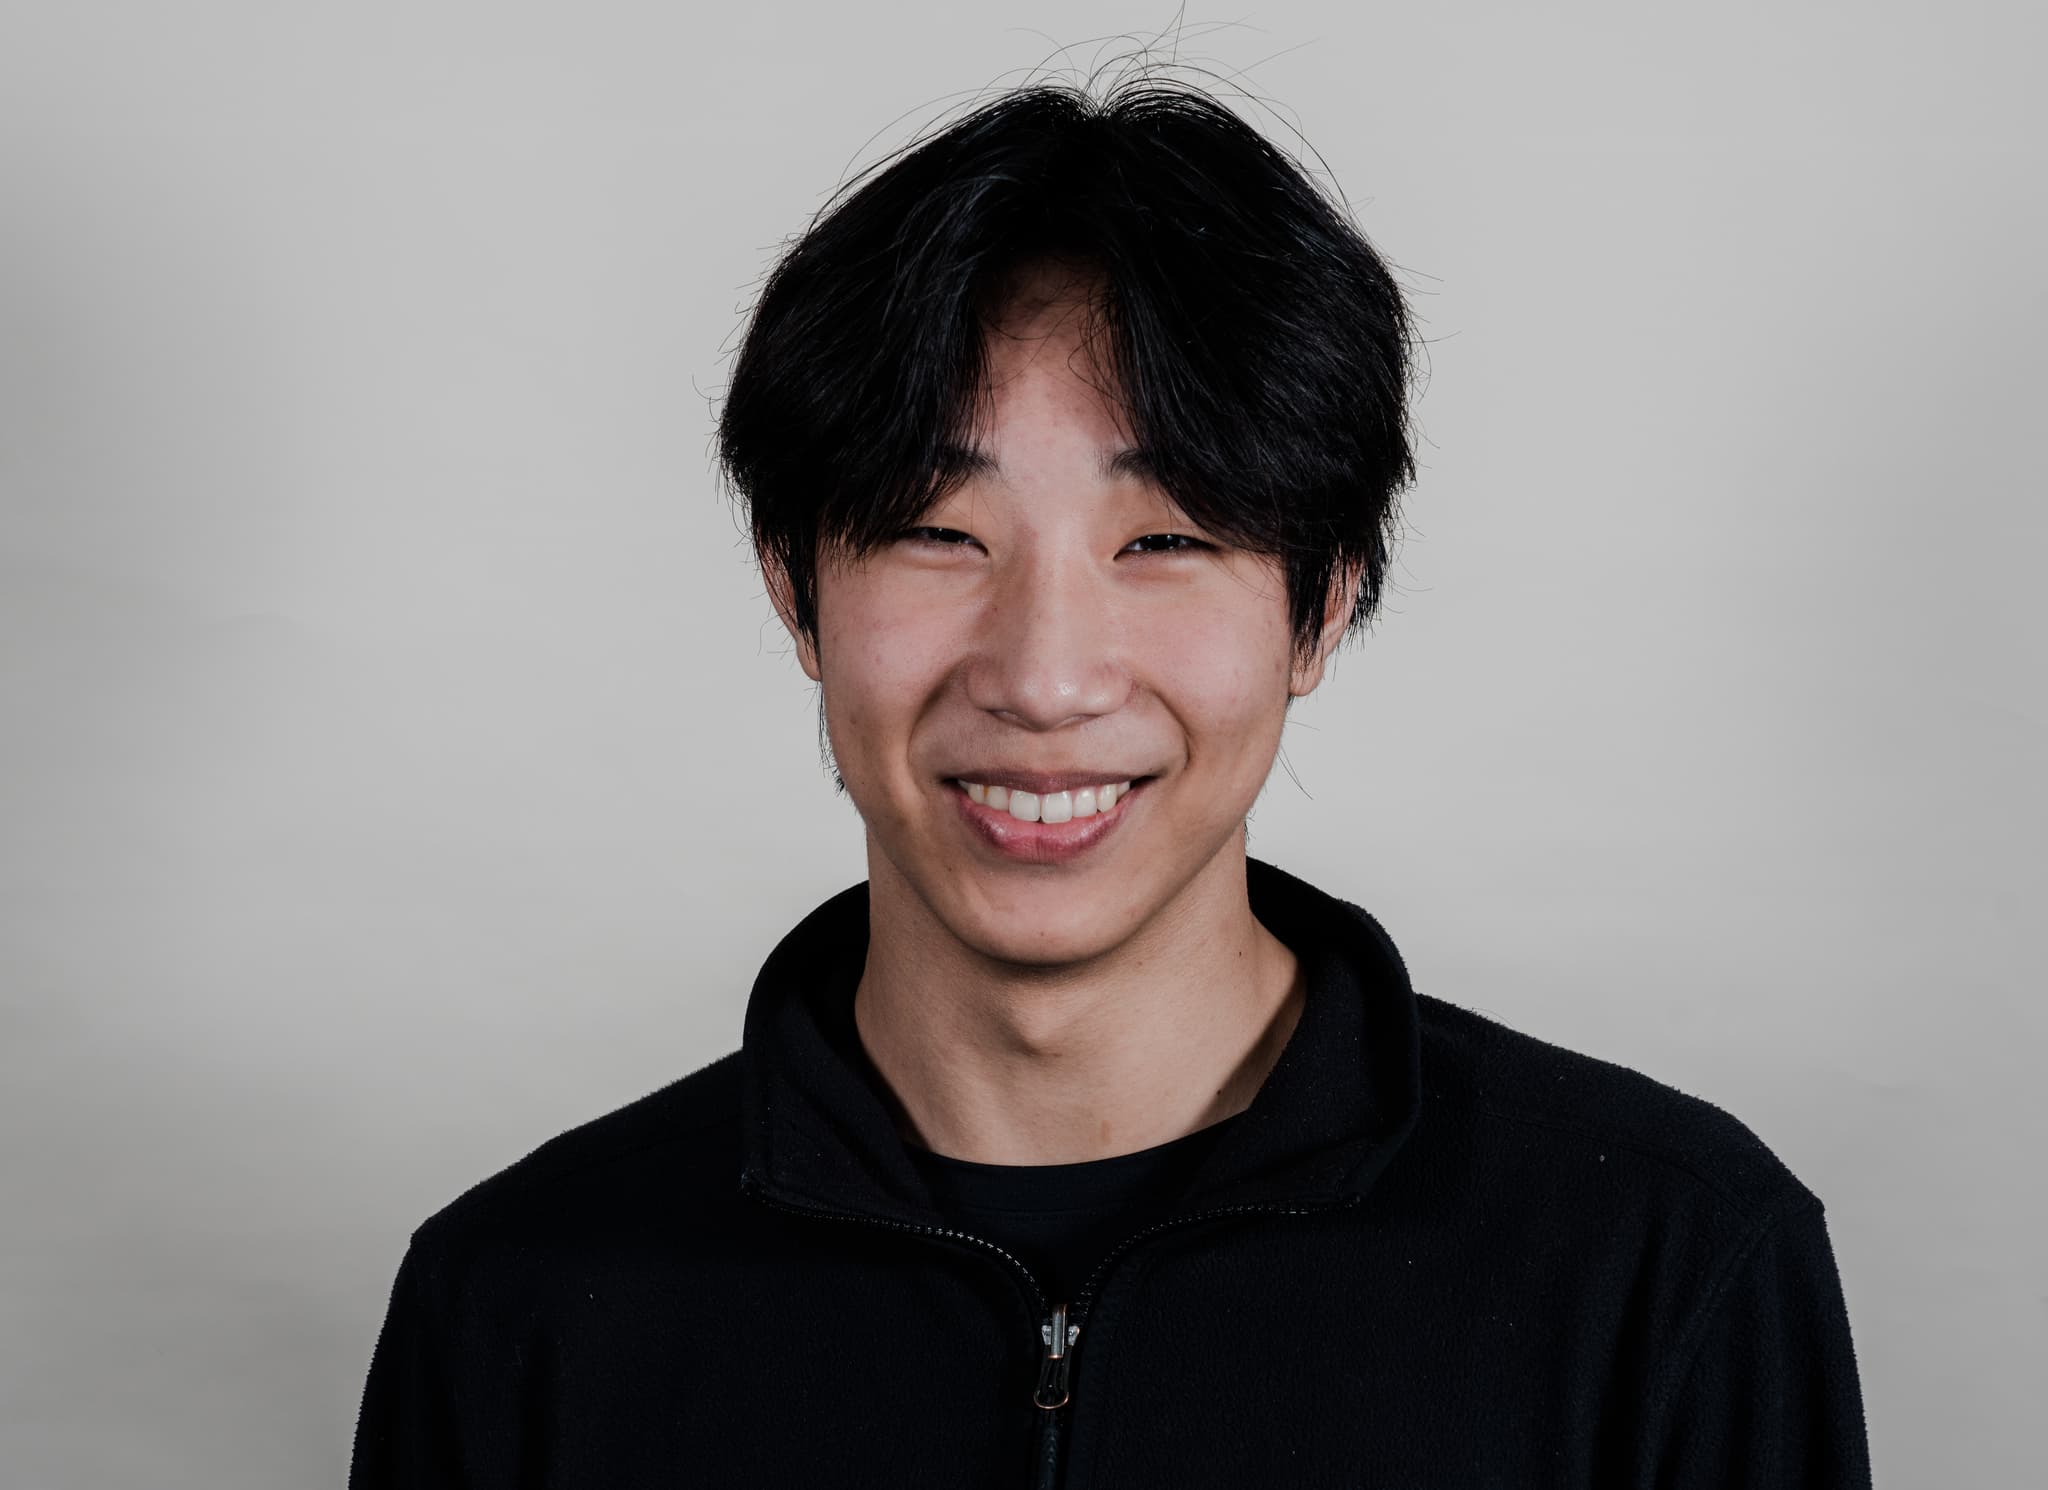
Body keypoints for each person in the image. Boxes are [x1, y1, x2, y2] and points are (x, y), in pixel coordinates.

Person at [349, 76, 1873, 1488]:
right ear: (793, 587)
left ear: (1326, 602)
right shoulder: (519, 1304)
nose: (1046, 674)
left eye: (1164, 540)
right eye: (941, 533)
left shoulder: (1662, 1265)